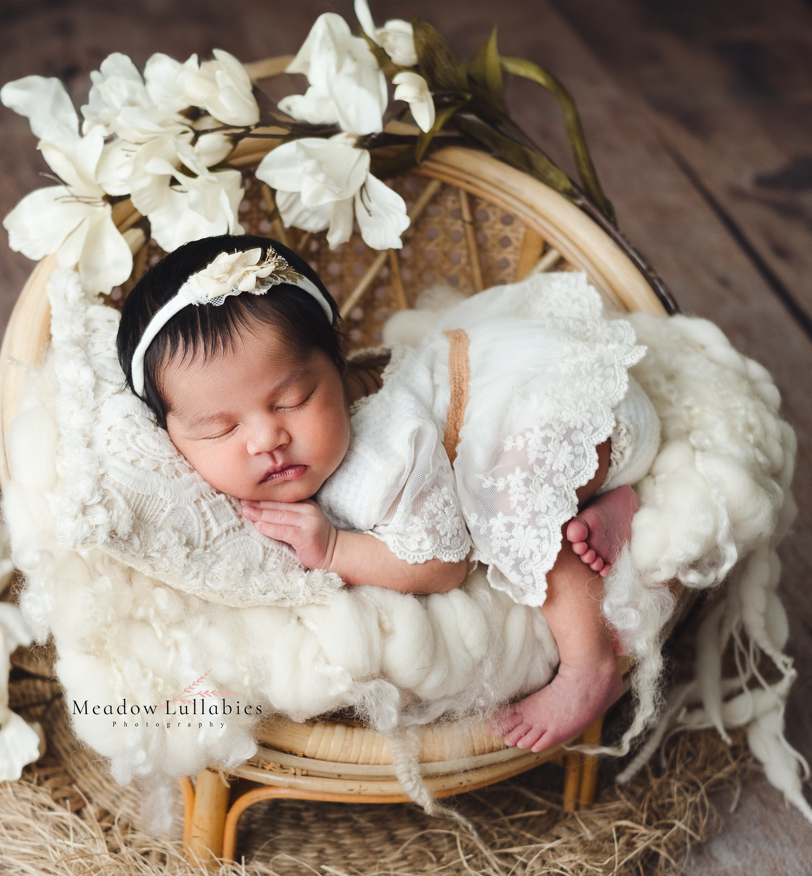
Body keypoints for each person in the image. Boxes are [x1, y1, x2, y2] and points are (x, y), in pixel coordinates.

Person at [117, 234, 660, 754]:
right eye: (220, 430)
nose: (267, 439)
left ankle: (589, 669)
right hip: (553, 405)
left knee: (513, 506)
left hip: (574, 409)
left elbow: (445, 564)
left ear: (337, 364)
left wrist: (335, 549)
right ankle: (608, 502)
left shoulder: (380, 459)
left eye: (292, 399)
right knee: (518, 492)